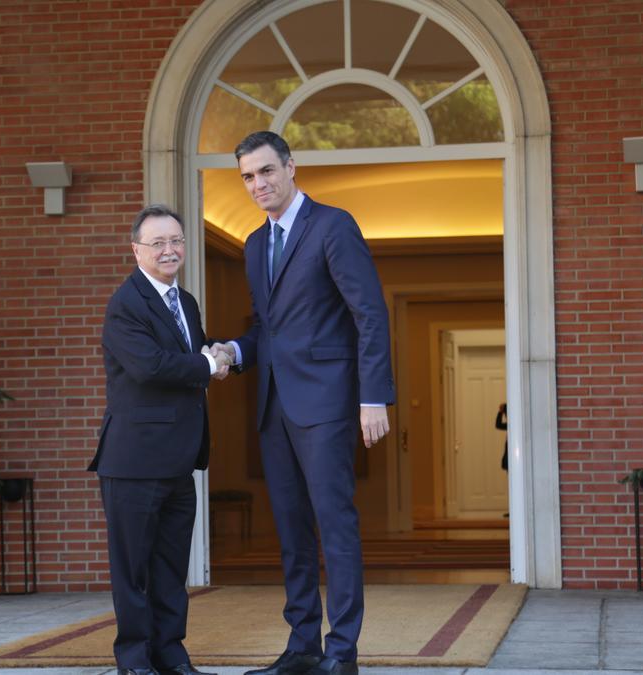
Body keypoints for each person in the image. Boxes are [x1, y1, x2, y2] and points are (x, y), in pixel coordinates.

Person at [211, 131, 395, 675]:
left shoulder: (333, 226)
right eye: (247, 176)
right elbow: (268, 328)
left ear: (291, 168)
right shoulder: (252, 245)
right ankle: (301, 647)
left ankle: (342, 653)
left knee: (334, 525)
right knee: (290, 528)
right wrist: (235, 352)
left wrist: (374, 398)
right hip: (273, 406)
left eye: (266, 171)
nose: (258, 184)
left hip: (328, 404)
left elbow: (370, 314)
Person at [90, 204, 229, 675]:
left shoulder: (184, 301)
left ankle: (171, 653)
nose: (170, 250)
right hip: (132, 462)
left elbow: (196, 353)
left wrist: (219, 353)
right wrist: (210, 365)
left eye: (177, 241)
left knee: (172, 570)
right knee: (134, 573)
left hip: (178, 461)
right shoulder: (125, 304)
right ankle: (134, 659)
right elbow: (150, 367)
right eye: (158, 243)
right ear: (136, 250)